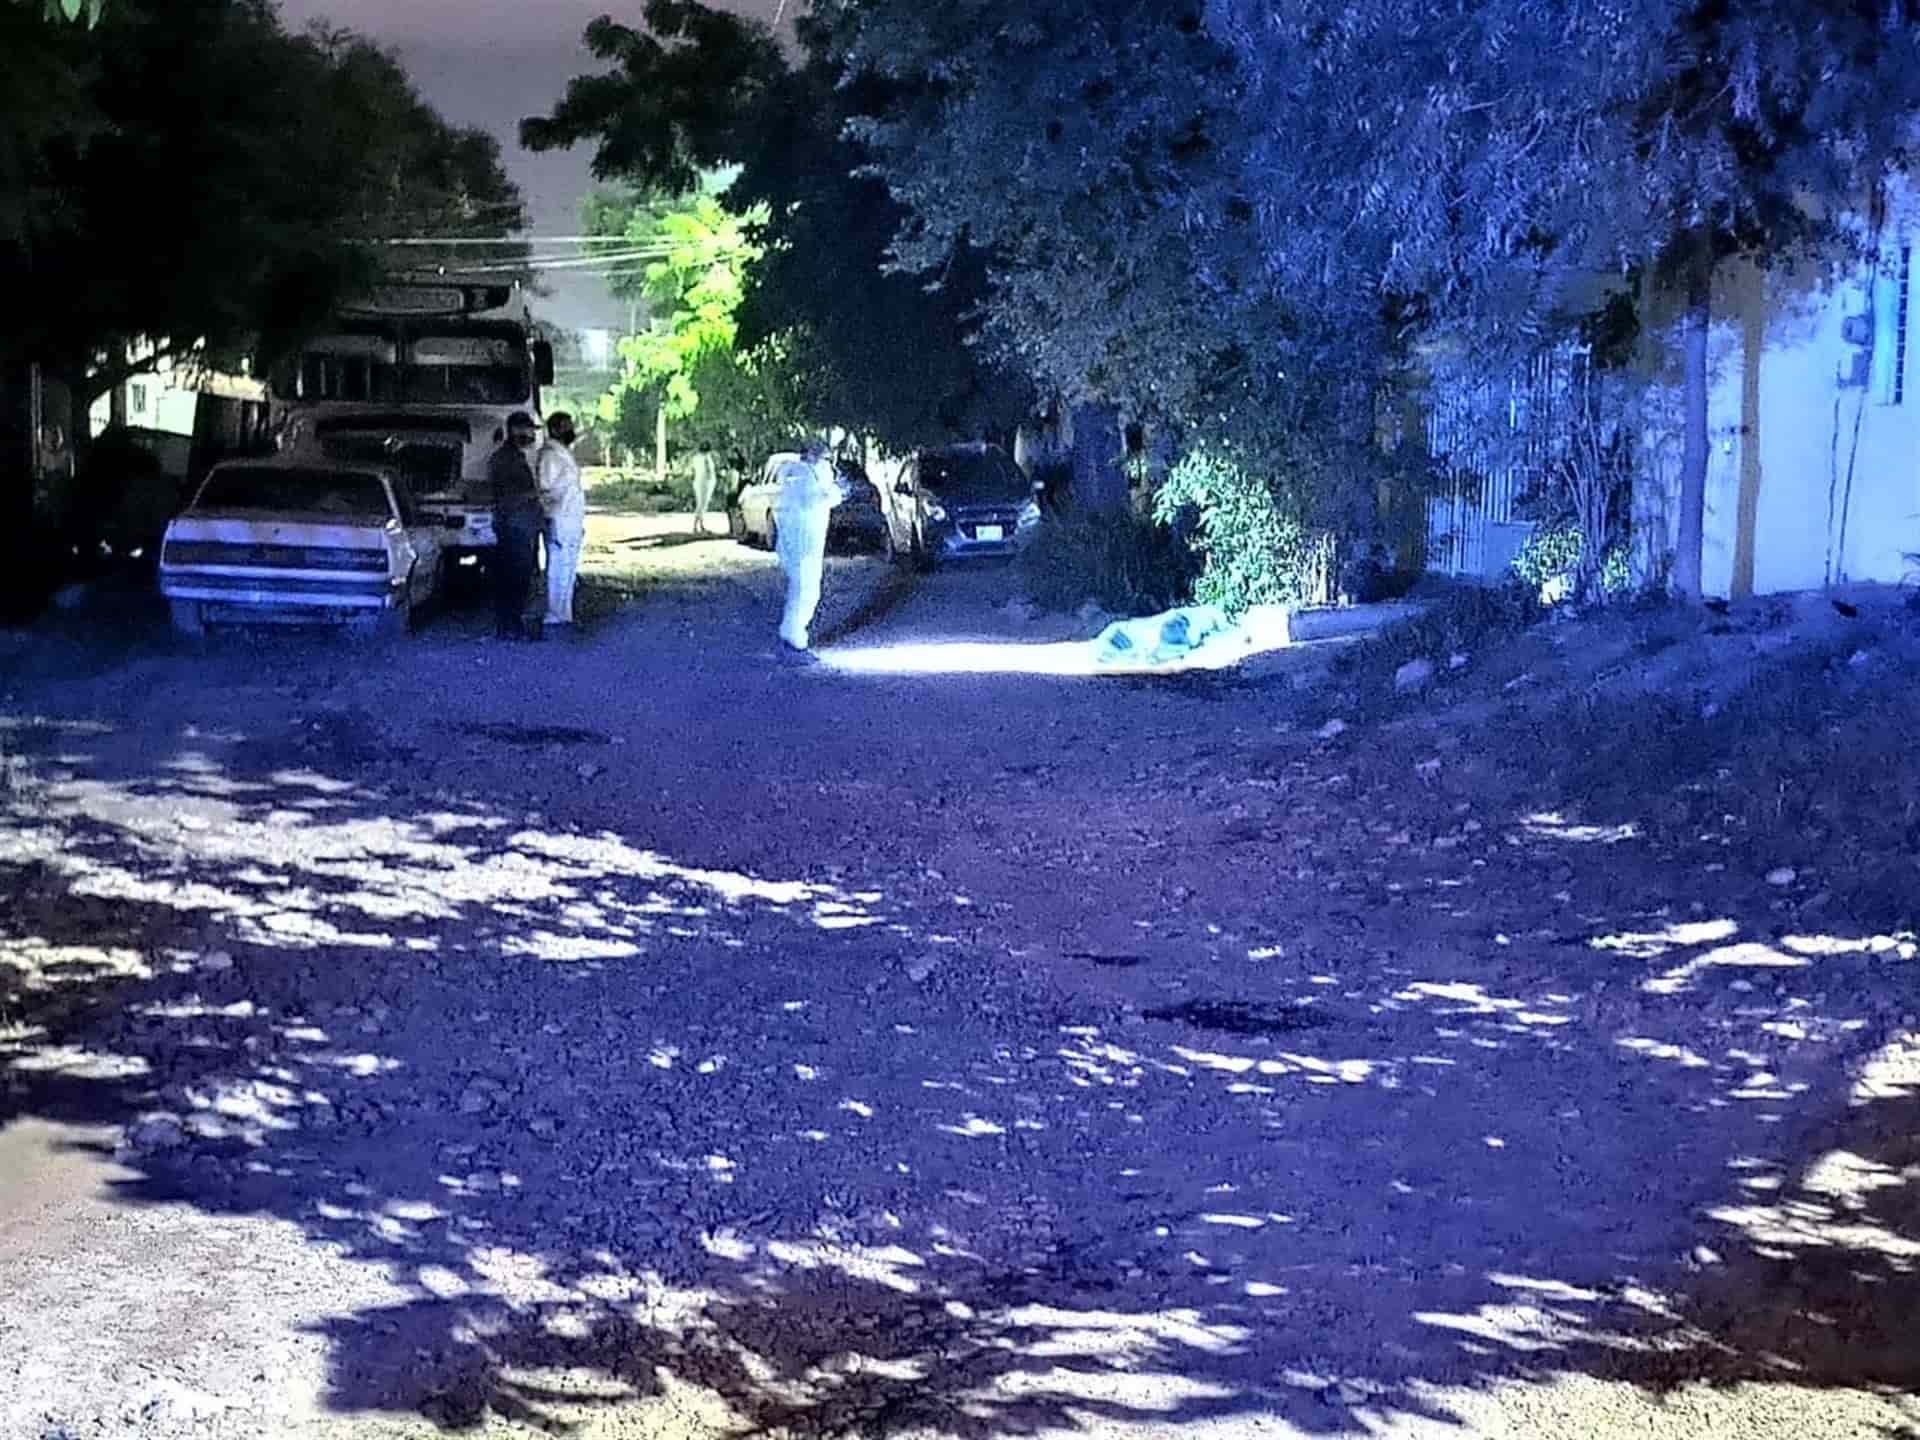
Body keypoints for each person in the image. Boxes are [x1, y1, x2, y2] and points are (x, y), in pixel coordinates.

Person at [772, 436, 847, 659]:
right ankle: (793, 640)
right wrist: (836, 492)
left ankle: (794, 638)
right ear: (815, 456)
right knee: (803, 590)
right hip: (801, 542)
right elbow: (810, 501)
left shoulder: (802, 473)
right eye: (826, 459)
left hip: (806, 542)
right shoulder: (800, 474)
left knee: (805, 590)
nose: (829, 464)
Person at [488, 411, 544, 639]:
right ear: (515, 430)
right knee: (515, 577)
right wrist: (536, 494)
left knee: (517, 576)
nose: (531, 435)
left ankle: (511, 624)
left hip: (519, 525)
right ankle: (510, 625)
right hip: (514, 526)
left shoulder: (514, 457)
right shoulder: (505, 460)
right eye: (528, 430)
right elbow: (507, 497)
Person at [535, 411, 585, 627]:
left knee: (567, 568)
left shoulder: (561, 453)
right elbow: (545, 487)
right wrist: (558, 502)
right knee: (558, 568)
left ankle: (564, 613)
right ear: (555, 429)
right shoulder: (549, 455)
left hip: (569, 518)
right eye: (566, 426)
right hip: (559, 517)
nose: (571, 430)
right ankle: (555, 613)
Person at [688, 444, 719, 535]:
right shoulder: (707, 458)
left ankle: (700, 525)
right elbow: (709, 471)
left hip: (698, 482)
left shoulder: (695, 458)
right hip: (705, 483)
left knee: (700, 503)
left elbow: (693, 471)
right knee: (702, 504)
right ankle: (695, 525)